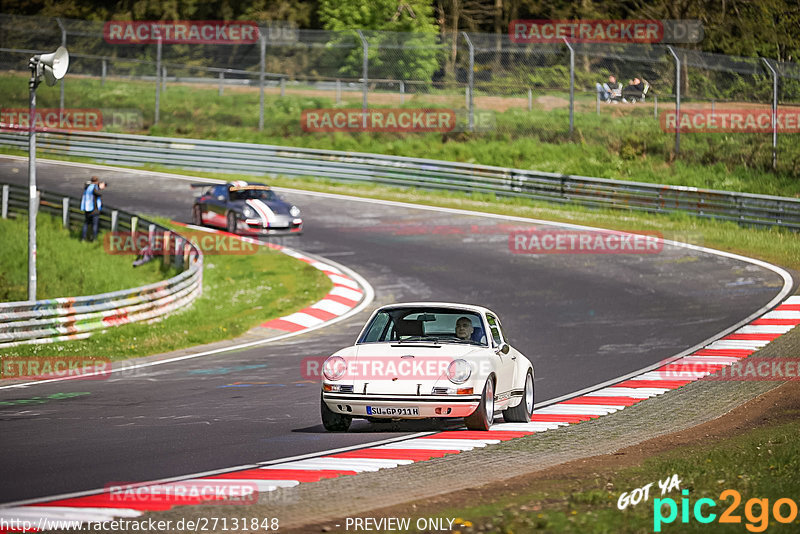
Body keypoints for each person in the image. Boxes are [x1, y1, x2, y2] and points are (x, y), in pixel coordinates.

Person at [81, 176, 105, 241]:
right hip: (94, 210)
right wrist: (101, 188)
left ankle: (83, 238)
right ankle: (94, 239)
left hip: (86, 209)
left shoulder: (87, 187)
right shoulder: (94, 188)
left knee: (86, 224)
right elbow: (98, 194)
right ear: (96, 181)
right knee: (95, 225)